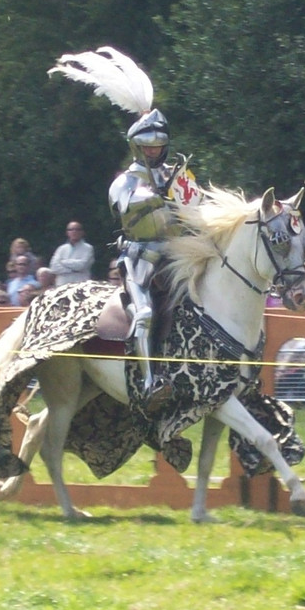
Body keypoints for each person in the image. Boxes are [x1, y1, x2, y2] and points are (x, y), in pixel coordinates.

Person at [50, 45, 201, 402]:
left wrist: (185, 195)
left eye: (158, 146)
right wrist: (159, 195)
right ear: (137, 147)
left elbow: (197, 203)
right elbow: (125, 208)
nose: (153, 152)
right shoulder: (126, 181)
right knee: (145, 311)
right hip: (141, 256)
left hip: (179, 253)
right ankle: (149, 382)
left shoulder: (177, 175)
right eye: (147, 147)